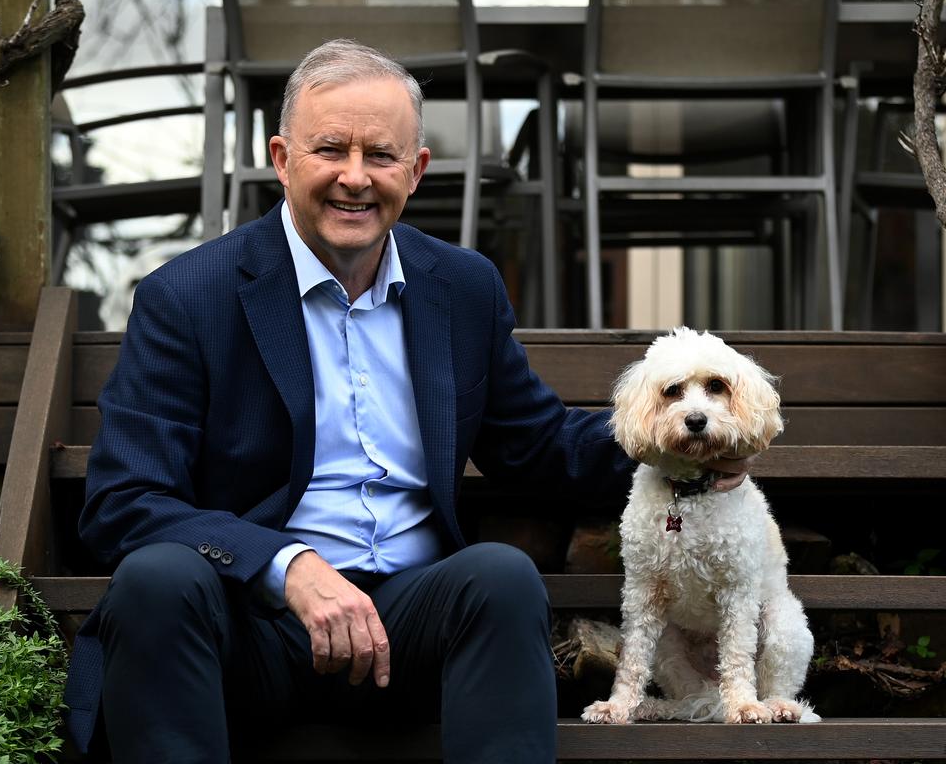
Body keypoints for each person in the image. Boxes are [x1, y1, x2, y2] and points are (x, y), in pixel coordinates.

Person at [63, 39, 753, 763]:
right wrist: (287, 565)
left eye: (381, 156)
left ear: (416, 170)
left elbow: (535, 442)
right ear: (281, 159)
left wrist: (684, 443)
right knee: (155, 578)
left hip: (413, 630)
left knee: (501, 576)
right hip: (248, 631)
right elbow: (125, 501)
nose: (353, 179)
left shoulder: (461, 287)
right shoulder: (189, 296)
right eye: (329, 149)